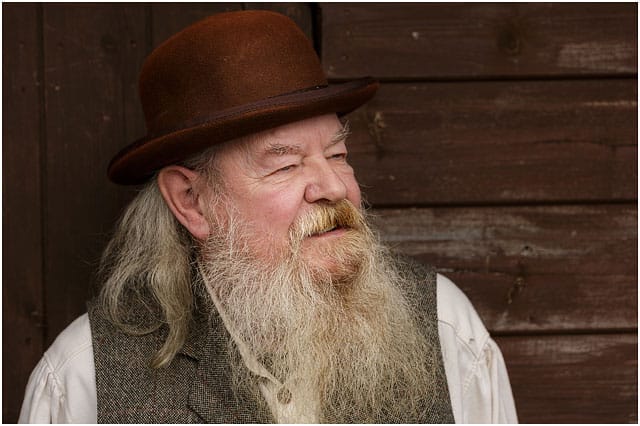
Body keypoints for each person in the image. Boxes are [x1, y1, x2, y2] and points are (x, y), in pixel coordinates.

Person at [19, 10, 517, 424]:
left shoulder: (445, 326)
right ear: (191, 201)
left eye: (338, 155)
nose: (334, 188)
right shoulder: (83, 379)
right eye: (285, 163)